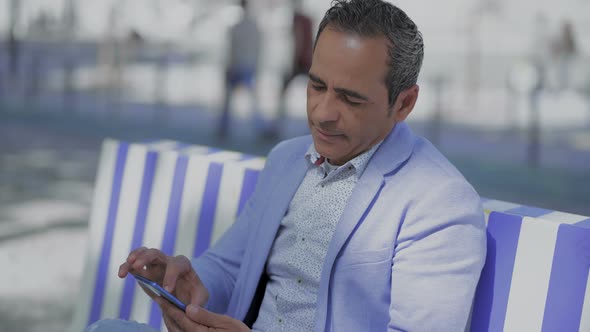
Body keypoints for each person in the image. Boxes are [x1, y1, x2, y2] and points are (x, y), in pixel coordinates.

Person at [91, 0, 487, 330]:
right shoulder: (287, 159)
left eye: (350, 99)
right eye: (316, 86)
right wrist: (189, 285)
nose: (323, 113)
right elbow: (228, 267)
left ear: (404, 103)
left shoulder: (440, 202)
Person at [264, 0, 314, 138]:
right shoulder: (308, 19)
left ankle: (276, 127)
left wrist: (292, 63)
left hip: (298, 62)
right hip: (308, 61)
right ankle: (311, 130)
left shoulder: (297, 19)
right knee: (312, 95)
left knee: (283, 93)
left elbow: (298, 40)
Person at [217, 0, 262, 139]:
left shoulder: (236, 27)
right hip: (248, 66)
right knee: (253, 101)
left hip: (237, 66)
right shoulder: (254, 27)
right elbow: (258, 49)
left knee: (229, 100)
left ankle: (224, 128)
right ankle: (259, 127)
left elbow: (232, 50)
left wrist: (230, 66)